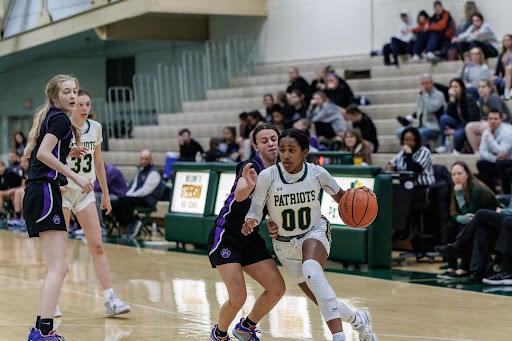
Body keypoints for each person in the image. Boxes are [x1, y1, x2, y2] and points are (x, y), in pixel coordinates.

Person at [244, 128, 377, 341]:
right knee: (322, 299)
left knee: (312, 270)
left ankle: (339, 337)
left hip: (314, 232)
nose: (285, 155)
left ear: (304, 152)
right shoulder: (267, 176)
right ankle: (358, 320)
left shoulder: (317, 173)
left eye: (292, 150)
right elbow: (255, 210)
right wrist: (251, 221)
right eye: (283, 150)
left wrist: (361, 202)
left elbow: (343, 199)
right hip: (285, 245)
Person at [23, 75, 94, 341]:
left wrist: (67, 153)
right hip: (45, 192)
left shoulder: (54, 117)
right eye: (67, 92)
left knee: (58, 267)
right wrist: (76, 177)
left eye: (75, 90)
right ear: (55, 97)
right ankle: (43, 332)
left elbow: (46, 152)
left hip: (39, 192)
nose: (73, 96)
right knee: (58, 267)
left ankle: (42, 328)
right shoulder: (61, 119)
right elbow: (41, 154)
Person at [208, 123, 286, 341]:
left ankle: (245, 327)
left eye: (273, 139)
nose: (270, 143)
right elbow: (240, 194)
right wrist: (248, 186)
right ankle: (219, 335)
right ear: (255, 146)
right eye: (264, 140)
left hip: (250, 237)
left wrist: (272, 221)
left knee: (277, 288)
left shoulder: (281, 171)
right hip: (227, 236)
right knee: (238, 297)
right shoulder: (252, 166)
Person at [60, 88, 131, 317]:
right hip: (62, 191)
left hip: (86, 192)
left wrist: (106, 193)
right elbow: (49, 156)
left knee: (98, 246)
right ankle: (52, 300)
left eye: (87, 104)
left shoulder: (96, 128)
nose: (83, 108)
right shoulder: (61, 127)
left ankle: (110, 298)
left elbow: (99, 162)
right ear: (71, 105)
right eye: (79, 104)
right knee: (59, 252)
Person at [436, 162, 498, 281]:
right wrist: (459, 218)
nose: (456, 177)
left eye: (459, 173)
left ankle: (464, 267)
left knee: (463, 228)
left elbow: (470, 215)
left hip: (490, 222)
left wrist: (459, 196)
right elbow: (453, 213)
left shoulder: (477, 190)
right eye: (453, 174)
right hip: (475, 221)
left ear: (467, 175)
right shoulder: (456, 188)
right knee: (450, 226)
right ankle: (451, 267)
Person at [112, 150, 162, 238]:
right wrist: (127, 195)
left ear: (150, 160)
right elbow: (134, 186)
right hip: (138, 197)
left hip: (147, 200)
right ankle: (125, 225)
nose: (144, 161)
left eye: (146, 159)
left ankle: (133, 222)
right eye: (142, 159)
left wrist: (130, 196)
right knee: (118, 200)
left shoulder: (154, 173)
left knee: (125, 201)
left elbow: (145, 191)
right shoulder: (140, 171)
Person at [396, 74, 446, 144]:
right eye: (422, 84)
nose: (425, 86)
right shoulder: (421, 95)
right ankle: (409, 151)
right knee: (400, 132)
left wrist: (425, 95)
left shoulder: (439, 95)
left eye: (427, 83)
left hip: (433, 127)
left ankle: (424, 150)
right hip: (421, 126)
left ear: (432, 83)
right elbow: (420, 110)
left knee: (419, 134)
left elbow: (432, 108)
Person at [465, 79, 512, 152]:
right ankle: (477, 151)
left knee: (485, 126)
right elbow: (482, 114)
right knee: (469, 127)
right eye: (479, 87)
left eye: (483, 87)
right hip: (488, 121)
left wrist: (486, 121)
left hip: (504, 123)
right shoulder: (481, 99)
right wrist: (483, 120)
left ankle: (491, 150)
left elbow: (498, 116)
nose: (481, 89)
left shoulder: (493, 98)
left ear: (489, 88)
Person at [435, 78, 479, 153]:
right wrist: (452, 100)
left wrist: (455, 130)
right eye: (452, 87)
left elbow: (472, 118)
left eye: (456, 87)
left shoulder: (468, 98)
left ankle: (457, 150)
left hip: (468, 124)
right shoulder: (455, 98)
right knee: (444, 118)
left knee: (457, 134)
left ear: (461, 88)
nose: (453, 89)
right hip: (459, 122)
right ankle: (443, 145)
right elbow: (450, 114)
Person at [477, 109, 512, 194]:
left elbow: (502, 151)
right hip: (497, 161)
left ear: (501, 119)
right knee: (481, 164)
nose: (493, 121)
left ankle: (506, 194)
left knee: (501, 164)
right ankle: (492, 192)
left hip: (509, 161)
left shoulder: (508, 131)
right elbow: (482, 152)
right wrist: (495, 158)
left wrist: (491, 140)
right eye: (490, 118)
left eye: (495, 118)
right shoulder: (486, 132)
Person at [94, 163, 128, 230]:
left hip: (119, 197)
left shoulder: (110, 171)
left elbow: (100, 187)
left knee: (94, 197)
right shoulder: (101, 170)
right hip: (109, 194)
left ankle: (99, 227)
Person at [5, 156, 29, 229]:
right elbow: (22, 185)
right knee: (17, 191)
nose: (23, 164)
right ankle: (18, 216)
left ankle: (25, 216)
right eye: (21, 162)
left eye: (25, 161)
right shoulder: (22, 171)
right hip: (27, 188)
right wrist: (14, 189)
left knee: (22, 192)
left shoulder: (32, 170)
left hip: (35, 188)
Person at [493, 34, 512, 99]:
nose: (506, 42)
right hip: (504, 76)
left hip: (510, 75)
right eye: (504, 40)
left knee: (509, 68)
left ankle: (507, 92)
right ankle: (497, 98)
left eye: (508, 40)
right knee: (495, 81)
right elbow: (498, 67)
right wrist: (496, 75)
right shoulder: (502, 54)